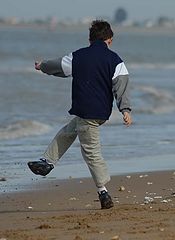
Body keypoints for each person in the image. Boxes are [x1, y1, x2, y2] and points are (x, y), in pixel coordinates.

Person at [28, 20, 132, 209]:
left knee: (91, 151)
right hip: (100, 112)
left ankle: (103, 192)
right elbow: (121, 86)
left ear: (90, 39)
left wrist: (42, 66)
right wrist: (125, 109)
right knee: (69, 131)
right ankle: (47, 162)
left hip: (87, 111)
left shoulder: (78, 56)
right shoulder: (116, 60)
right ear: (110, 40)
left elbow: (58, 66)